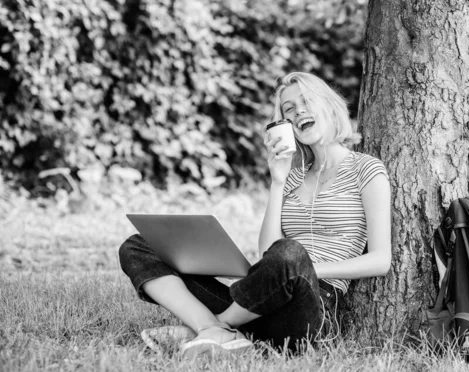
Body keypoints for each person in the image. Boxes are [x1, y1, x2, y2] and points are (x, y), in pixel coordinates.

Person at [118, 72, 392, 358]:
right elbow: (267, 254)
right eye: (289, 108)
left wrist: (306, 270)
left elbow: (380, 260)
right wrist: (277, 181)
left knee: (290, 254)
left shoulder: (366, 169)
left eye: (306, 101)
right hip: (261, 299)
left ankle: (216, 328)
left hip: (310, 308)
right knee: (139, 246)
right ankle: (219, 330)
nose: (299, 111)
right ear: (287, 125)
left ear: (329, 106)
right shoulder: (292, 178)